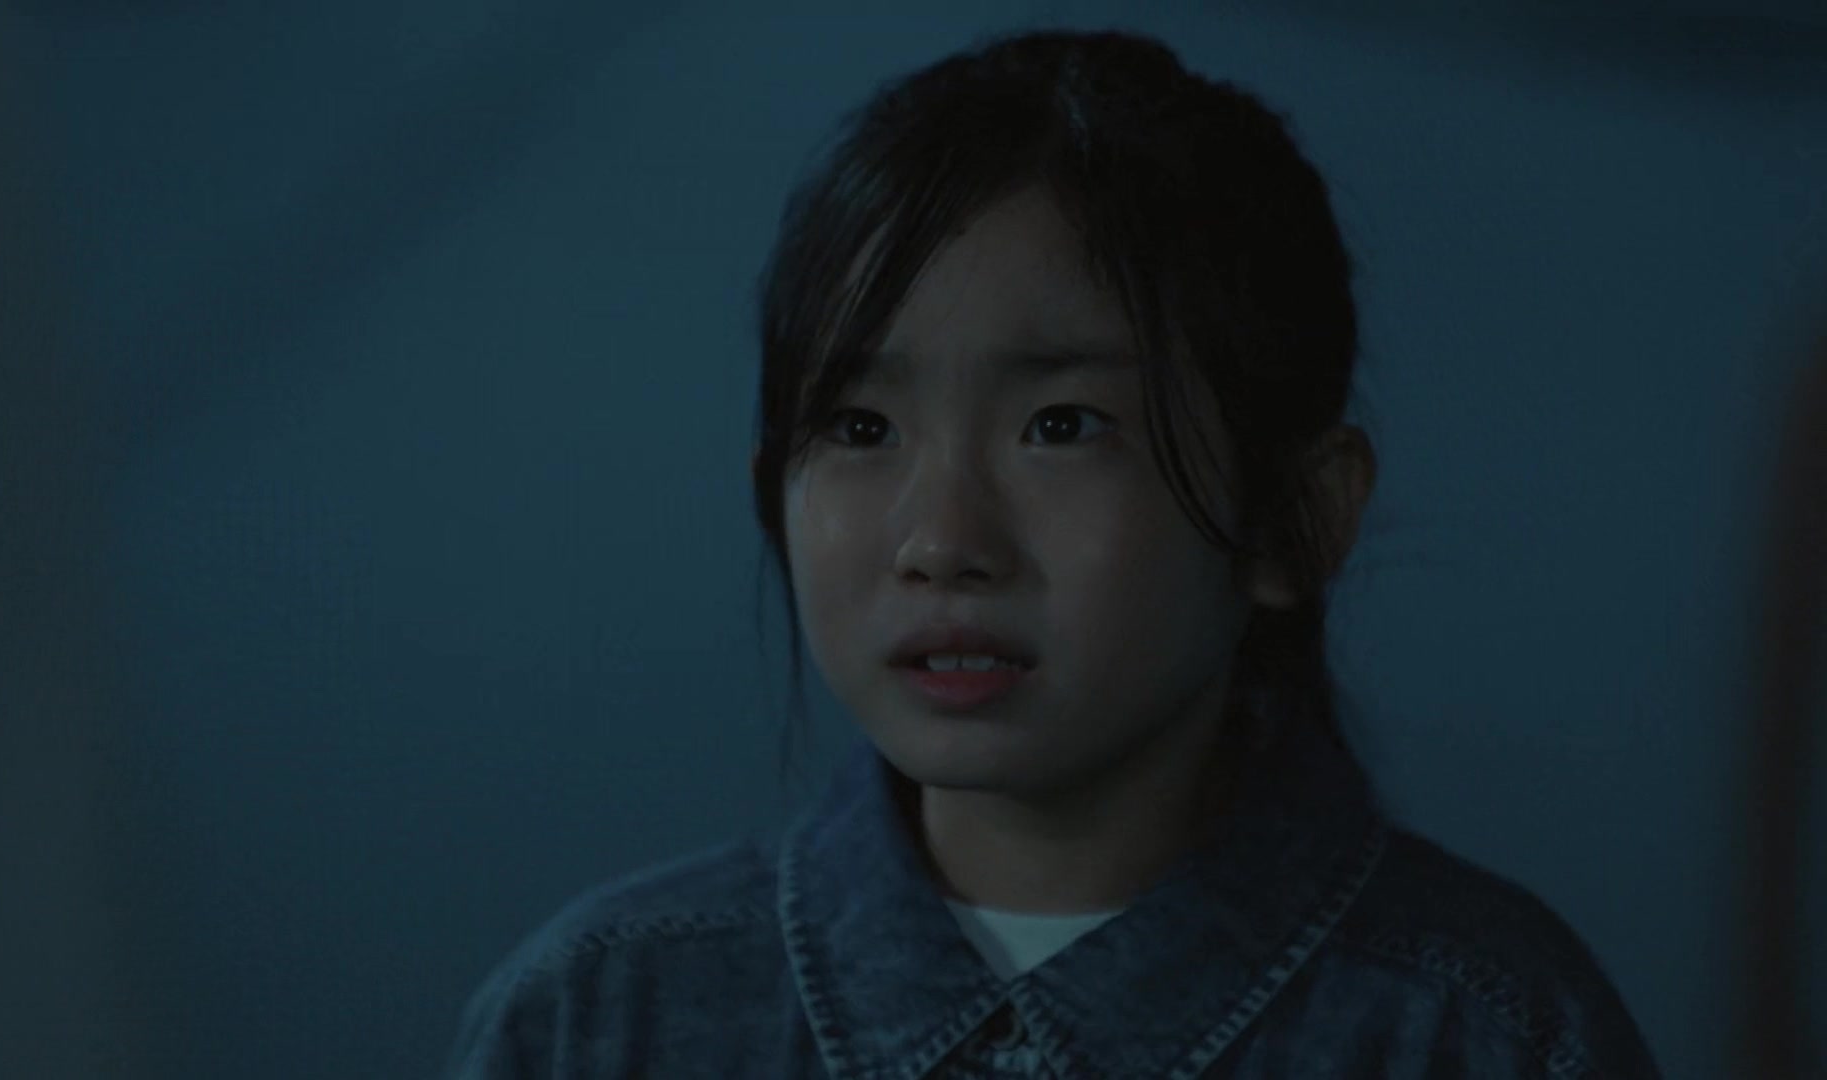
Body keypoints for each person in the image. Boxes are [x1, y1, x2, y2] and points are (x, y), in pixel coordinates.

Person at [444, 28, 1662, 1078]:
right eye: (860, 428)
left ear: (1296, 517)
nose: (942, 542)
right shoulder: (598, 1020)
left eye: (1062, 427)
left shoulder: (1482, 1033)